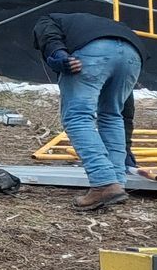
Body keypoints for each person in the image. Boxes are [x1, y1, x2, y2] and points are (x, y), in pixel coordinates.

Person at [33, 11, 144, 210]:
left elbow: (48, 36)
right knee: (112, 115)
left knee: (77, 117)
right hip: (133, 54)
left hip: (92, 53)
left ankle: (104, 183)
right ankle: (117, 182)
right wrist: (125, 149)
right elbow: (125, 111)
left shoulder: (49, 19)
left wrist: (61, 57)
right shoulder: (105, 25)